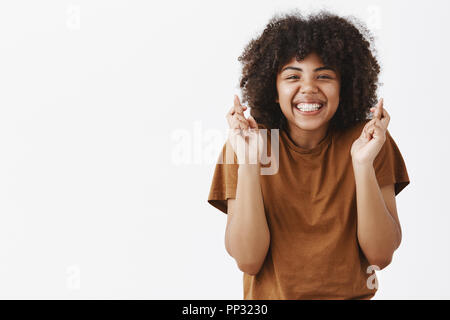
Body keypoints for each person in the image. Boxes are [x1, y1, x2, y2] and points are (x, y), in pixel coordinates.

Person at [207, 10, 410, 300]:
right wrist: (250, 164)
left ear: (345, 86)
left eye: (324, 75)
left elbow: (380, 256)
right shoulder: (246, 145)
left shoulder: (369, 142)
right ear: (273, 90)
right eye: (292, 76)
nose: (309, 89)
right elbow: (248, 260)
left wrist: (362, 165)